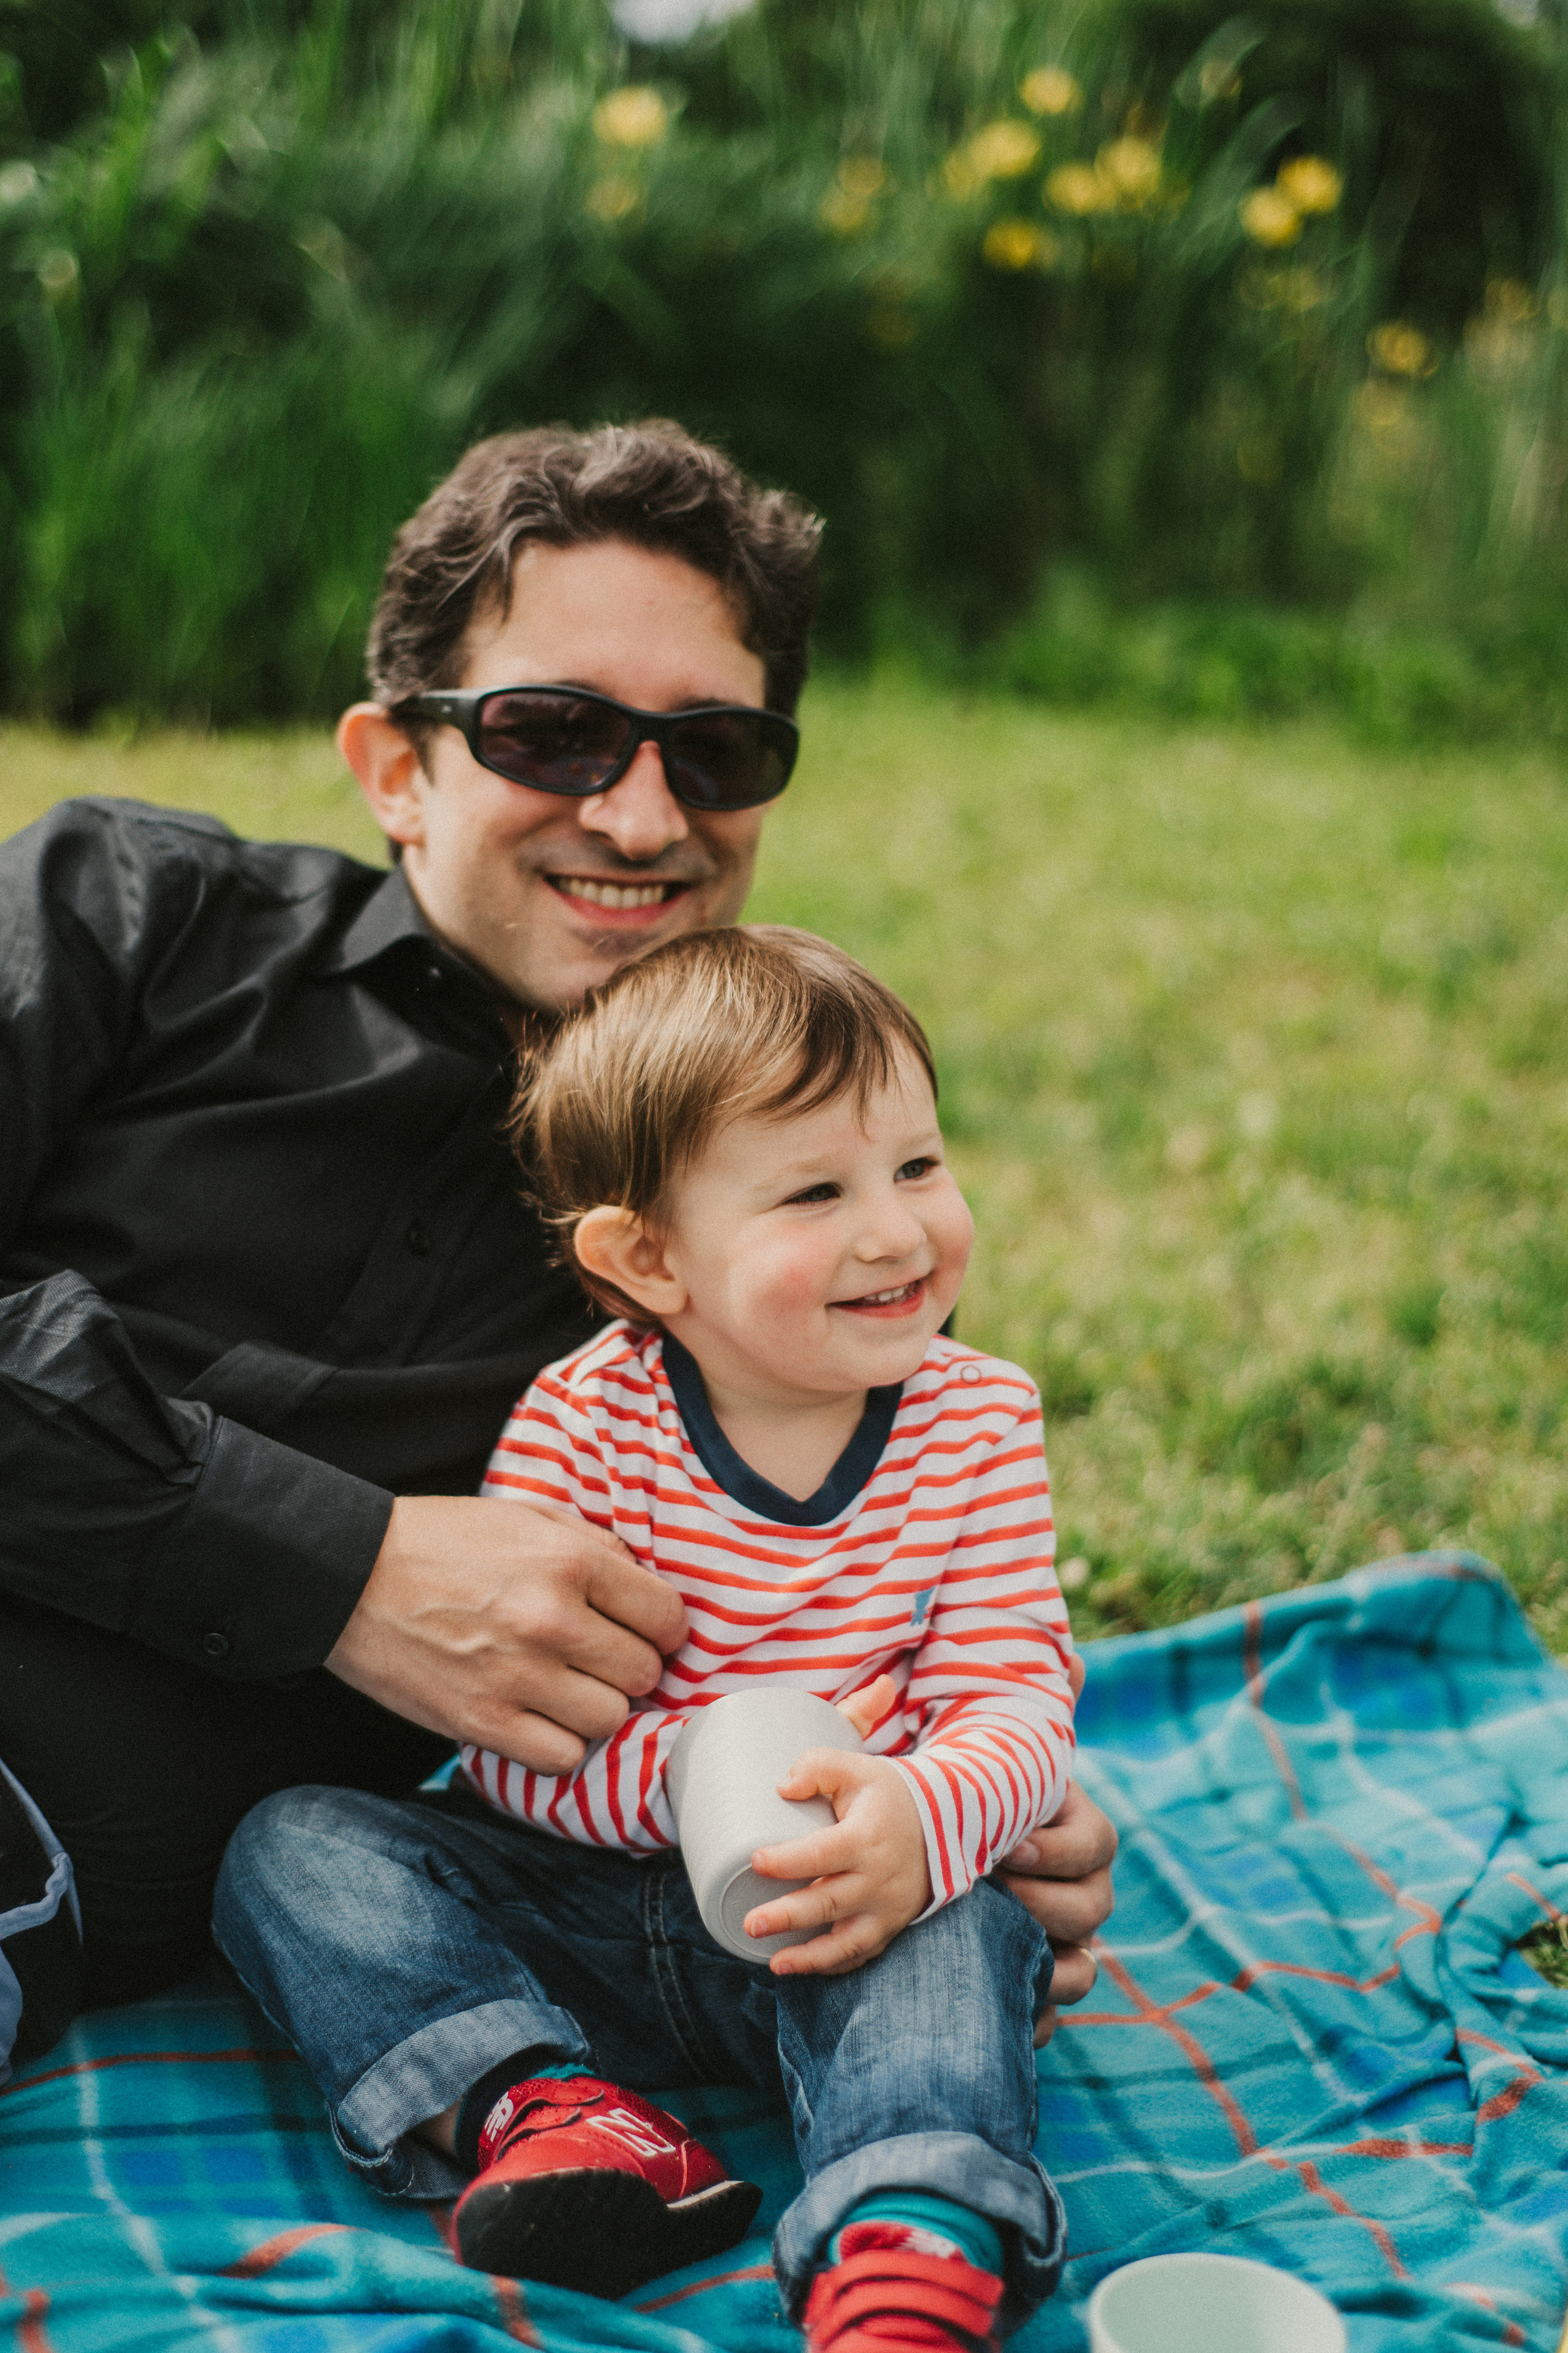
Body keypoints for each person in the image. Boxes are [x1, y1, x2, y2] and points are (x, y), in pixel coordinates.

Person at [0, 418, 1114, 2024]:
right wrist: (347, 1569)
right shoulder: (132, 912)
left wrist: (963, 1814)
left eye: (716, 750)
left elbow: (864, 1621)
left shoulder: (762, 1253)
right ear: (397, 766)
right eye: (553, 731)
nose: (648, 821)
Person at [215, 925, 1074, 2353]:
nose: (894, 1230)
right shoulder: (585, 1426)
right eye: (816, 1191)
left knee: (965, 1929)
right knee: (296, 1843)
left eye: (917, 1166)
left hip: (844, 1911)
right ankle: (551, 2110)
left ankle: (910, 2226)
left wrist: (921, 1821)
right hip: (585, 1911)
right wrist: (679, 1778)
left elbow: (1016, 1696)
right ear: (647, 1257)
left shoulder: (975, 1421)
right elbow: (510, 1737)